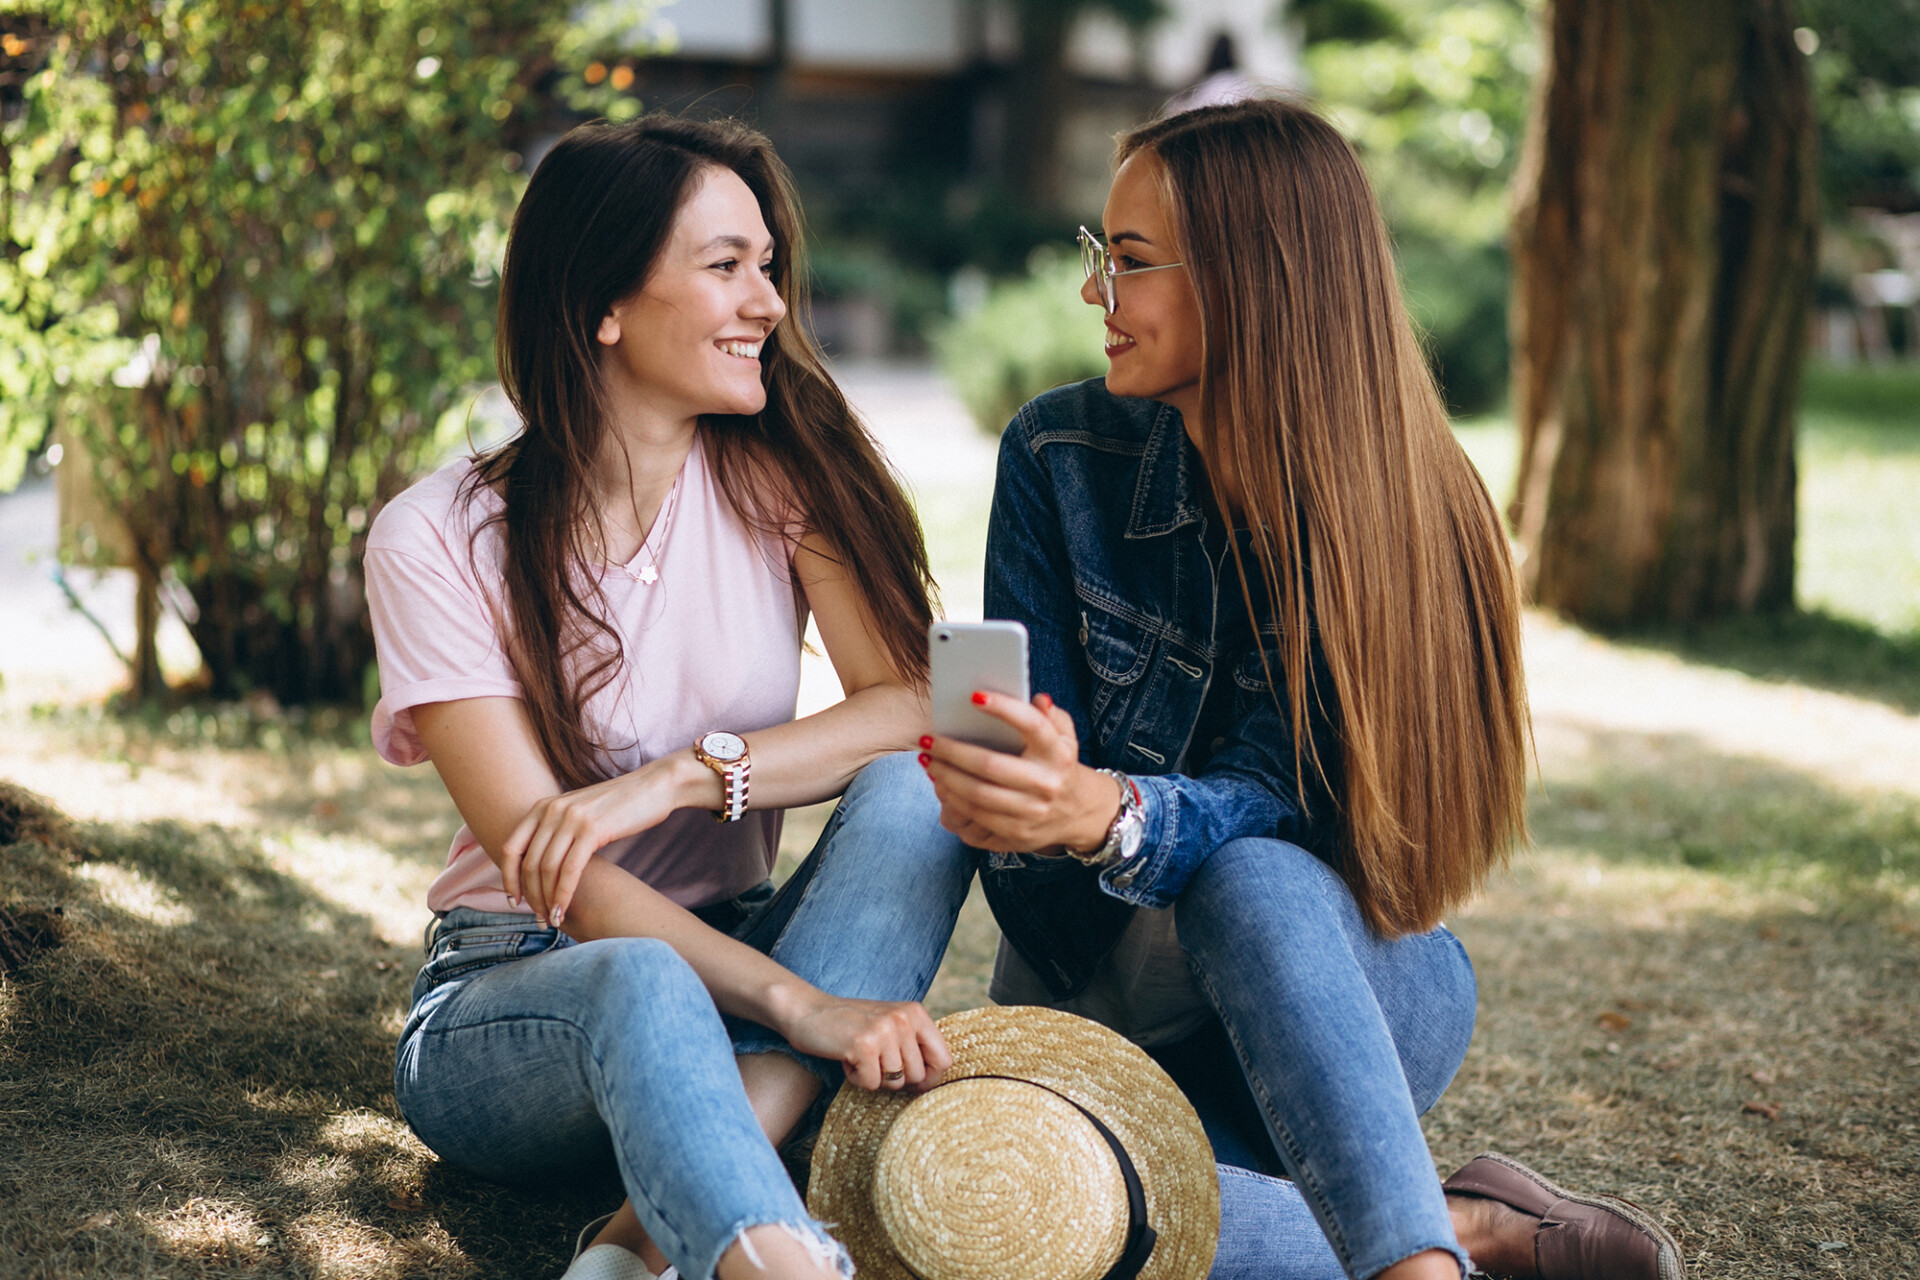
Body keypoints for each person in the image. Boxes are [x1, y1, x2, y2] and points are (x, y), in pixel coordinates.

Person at [919, 98, 1687, 1280]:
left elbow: (1275, 803)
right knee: (998, 1205)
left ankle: (1412, 1265)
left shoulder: (1412, 513)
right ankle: (1452, 1221)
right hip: (1104, 992)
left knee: (1248, 876)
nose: (1093, 297)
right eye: (1097, 256)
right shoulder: (1057, 457)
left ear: (1251, 278)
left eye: (1127, 263)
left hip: (1337, 998)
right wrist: (1015, 807)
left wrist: (1108, 813)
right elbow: (1043, 869)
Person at [364, 114, 974, 1280]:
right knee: (642, 973)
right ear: (604, 302)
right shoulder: (436, 535)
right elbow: (571, 889)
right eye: (725, 267)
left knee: (918, 790)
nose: (771, 303)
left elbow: (916, 703)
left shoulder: (781, 475)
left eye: (769, 266)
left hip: (740, 954)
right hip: (520, 992)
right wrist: (806, 1006)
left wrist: (686, 775)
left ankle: (638, 1245)